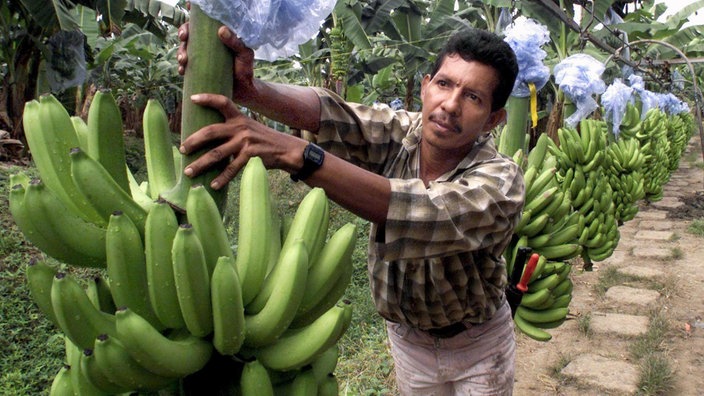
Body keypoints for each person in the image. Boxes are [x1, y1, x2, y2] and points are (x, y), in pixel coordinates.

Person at [177, 23, 523, 395]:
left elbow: (424, 212)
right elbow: (335, 116)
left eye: (473, 97)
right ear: (425, 86)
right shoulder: (401, 134)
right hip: (408, 341)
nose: (450, 105)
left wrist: (299, 155)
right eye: (444, 84)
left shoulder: (501, 182)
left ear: (492, 120)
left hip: (478, 346)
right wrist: (251, 89)